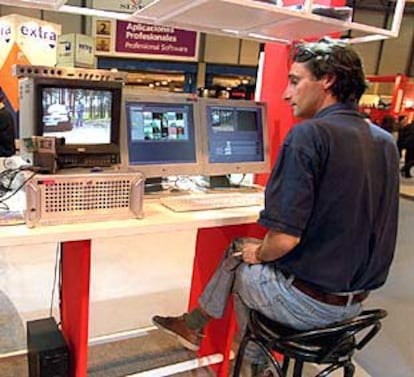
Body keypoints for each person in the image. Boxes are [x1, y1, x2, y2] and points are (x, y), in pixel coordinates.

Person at [152, 38, 400, 375]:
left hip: (309, 306)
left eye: (295, 81)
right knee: (250, 259)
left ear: (327, 80)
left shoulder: (309, 136)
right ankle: (200, 329)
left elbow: (284, 241)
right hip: (356, 309)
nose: (286, 94)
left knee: (241, 257)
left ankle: (249, 361)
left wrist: (260, 253)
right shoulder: (384, 142)